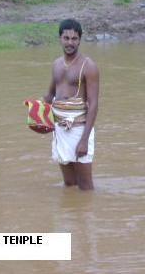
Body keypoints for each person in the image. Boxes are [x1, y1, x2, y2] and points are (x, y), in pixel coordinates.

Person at [43, 19, 99, 190]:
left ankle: (86, 215)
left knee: (85, 186)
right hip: (60, 129)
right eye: (66, 38)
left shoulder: (89, 66)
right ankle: (71, 216)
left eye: (74, 38)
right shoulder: (56, 64)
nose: (70, 42)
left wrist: (83, 140)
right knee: (69, 183)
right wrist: (36, 112)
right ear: (60, 38)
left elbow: (94, 104)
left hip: (79, 129)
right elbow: (50, 95)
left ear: (80, 40)